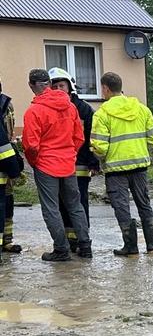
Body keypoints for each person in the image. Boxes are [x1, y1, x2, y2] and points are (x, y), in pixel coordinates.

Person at [21, 68, 91, 261]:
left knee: (51, 208)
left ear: (31, 85)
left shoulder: (34, 111)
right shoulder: (70, 106)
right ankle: (85, 247)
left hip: (45, 164)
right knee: (75, 205)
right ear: (49, 84)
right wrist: (69, 154)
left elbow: (31, 145)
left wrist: (35, 162)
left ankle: (61, 250)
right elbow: (79, 137)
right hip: (68, 163)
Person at [90, 72, 153, 256]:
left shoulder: (102, 114)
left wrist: (101, 158)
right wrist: (140, 150)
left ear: (105, 88)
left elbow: (99, 146)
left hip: (115, 170)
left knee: (121, 206)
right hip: (139, 166)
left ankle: (131, 247)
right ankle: (152, 245)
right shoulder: (141, 109)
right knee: (144, 204)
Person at [48, 68, 97, 252]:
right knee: (62, 203)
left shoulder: (83, 109)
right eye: (55, 86)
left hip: (80, 164)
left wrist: (93, 161)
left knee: (79, 202)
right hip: (59, 165)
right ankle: (71, 240)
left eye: (62, 85)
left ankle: (82, 238)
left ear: (70, 87)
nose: (59, 89)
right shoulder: (50, 108)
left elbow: (91, 137)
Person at [0, 78, 24, 258]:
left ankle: (7, 240)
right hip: (4, 158)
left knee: (7, 203)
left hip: (6, 160)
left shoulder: (7, 104)